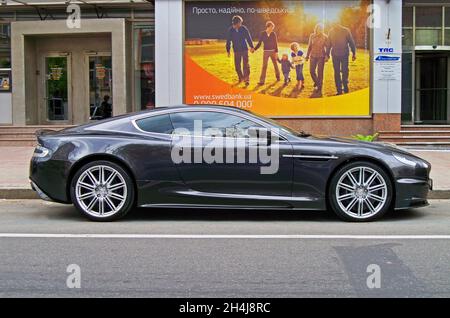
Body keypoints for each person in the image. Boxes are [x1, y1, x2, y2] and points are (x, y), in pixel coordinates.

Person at [327, 23, 356, 95]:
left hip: (344, 54)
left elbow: (351, 42)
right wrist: (327, 54)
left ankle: (345, 85)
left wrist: (354, 53)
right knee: (336, 72)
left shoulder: (346, 30)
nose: (334, 25)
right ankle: (339, 90)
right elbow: (329, 44)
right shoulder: (331, 31)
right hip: (335, 55)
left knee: (344, 71)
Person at [226, 15, 255, 87]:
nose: (241, 24)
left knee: (246, 65)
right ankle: (241, 77)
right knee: (237, 66)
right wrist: (228, 50)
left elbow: (248, 38)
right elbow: (228, 41)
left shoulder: (243, 28)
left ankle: (246, 80)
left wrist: (251, 47)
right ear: (236, 23)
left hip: (244, 49)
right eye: (240, 22)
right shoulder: (230, 30)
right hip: (236, 50)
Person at [306, 23, 329, 98]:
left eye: (321, 29)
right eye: (319, 28)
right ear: (316, 29)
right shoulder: (312, 36)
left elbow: (327, 47)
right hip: (312, 56)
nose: (320, 30)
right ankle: (317, 82)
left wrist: (327, 56)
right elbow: (309, 46)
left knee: (320, 72)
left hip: (321, 56)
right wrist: (307, 55)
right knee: (311, 71)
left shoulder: (325, 37)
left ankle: (319, 88)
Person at [254, 21, 280, 85]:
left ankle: (278, 77)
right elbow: (259, 43)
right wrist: (254, 49)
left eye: (273, 27)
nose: (272, 28)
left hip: (273, 51)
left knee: (275, 65)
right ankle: (262, 81)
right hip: (266, 52)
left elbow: (275, 43)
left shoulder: (273, 34)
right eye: (271, 27)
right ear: (268, 26)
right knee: (264, 66)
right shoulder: (263, 33)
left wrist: (276, 52)